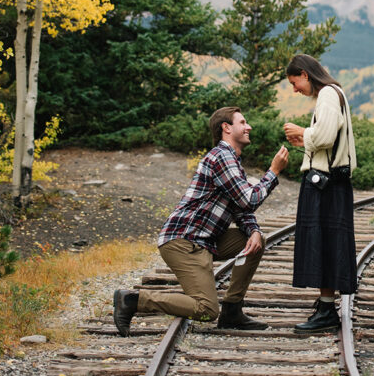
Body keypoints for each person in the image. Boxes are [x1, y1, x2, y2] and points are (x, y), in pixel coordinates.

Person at [113, 106, 289, 336]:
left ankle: (232, 311)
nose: (249, 127)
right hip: (184, 241)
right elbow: (249, 200)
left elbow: (242, 210)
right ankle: (134, 300)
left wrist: (254, 230)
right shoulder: (221, 157)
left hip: (205, 241)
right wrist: (273, 172)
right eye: (243, 122)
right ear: (226, 128)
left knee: (255, 241)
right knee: (206, 309)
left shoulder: (233, 163)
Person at [283, 53, 357, 334]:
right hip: (331, 182)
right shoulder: (333, 93)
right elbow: (327, 138)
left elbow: (324, 137)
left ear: (304, 74)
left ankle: (327, 311)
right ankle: (326, 305)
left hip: (324, 184)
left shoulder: (327, 94)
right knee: (327, 244)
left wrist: (303, 132)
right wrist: (306, 137)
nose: (295, 89)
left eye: (294, 82)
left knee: (322, 243)